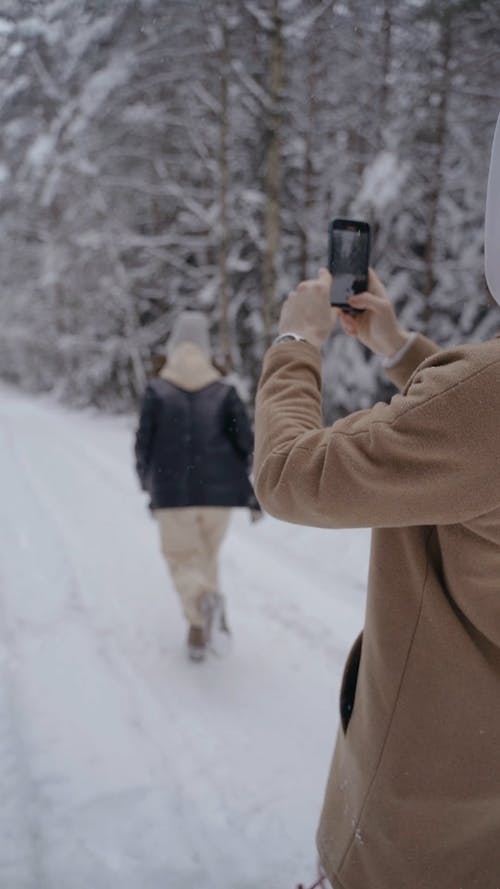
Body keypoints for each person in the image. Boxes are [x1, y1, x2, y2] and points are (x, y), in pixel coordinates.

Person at [253, 114, 500, 889]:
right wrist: (402, 351)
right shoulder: (475, 407)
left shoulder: (483, 403)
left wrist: (296, 345)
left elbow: (291, 475)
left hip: (426, 824)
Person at [135, 310, 260, 661]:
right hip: (218, 496)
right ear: (206, 346)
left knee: (181, 558)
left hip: (172, 494)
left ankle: (201, 608)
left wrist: (147, 482)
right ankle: (200, 632)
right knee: (205, 558)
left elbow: (143, 443)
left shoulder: (157, 390)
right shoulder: (224, 391)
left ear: (174, 343)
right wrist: (244, 484)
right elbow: (245, 444)